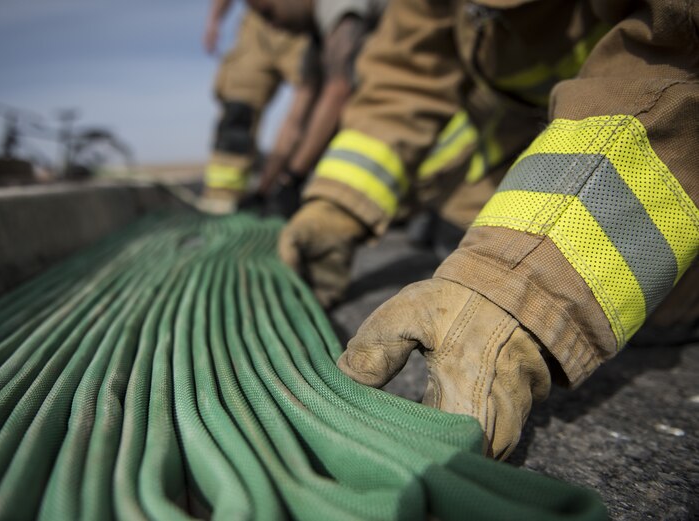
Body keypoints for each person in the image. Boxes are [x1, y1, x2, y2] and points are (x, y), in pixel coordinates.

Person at [279, 0, 699, 459]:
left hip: (655, 140)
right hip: (536, 133)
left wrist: (516, 283)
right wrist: (339, 204)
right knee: (452, 236)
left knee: (647, 315)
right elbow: (406, 75)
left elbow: (680, 56)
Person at [239, 0, 389, 216]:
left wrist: (293, 178)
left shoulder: (336, 6)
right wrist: (263, 190)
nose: (271, 27)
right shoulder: (315, 42)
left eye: (269, 14)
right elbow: (295, 119)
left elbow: (340, 89)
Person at [200, 1, 309, 214]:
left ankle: (290, 187)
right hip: (258, 26)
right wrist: (214, 20)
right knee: (238, 109)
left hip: (304, 19)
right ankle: (221, 199)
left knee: (315, 112)